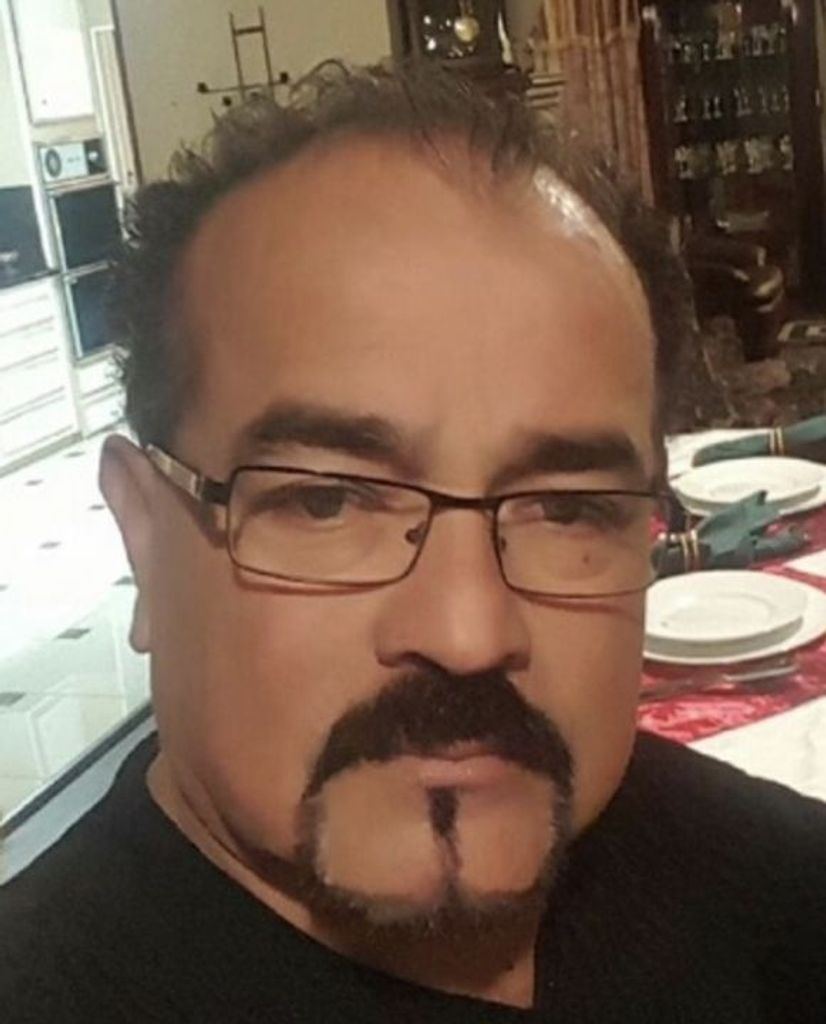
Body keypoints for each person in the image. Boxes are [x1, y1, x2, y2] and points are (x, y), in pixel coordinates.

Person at [1, 63, 825, 1022]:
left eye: (568, 508)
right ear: (143, 539)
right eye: (327, 501)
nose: (469, 632)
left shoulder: (779, 893)